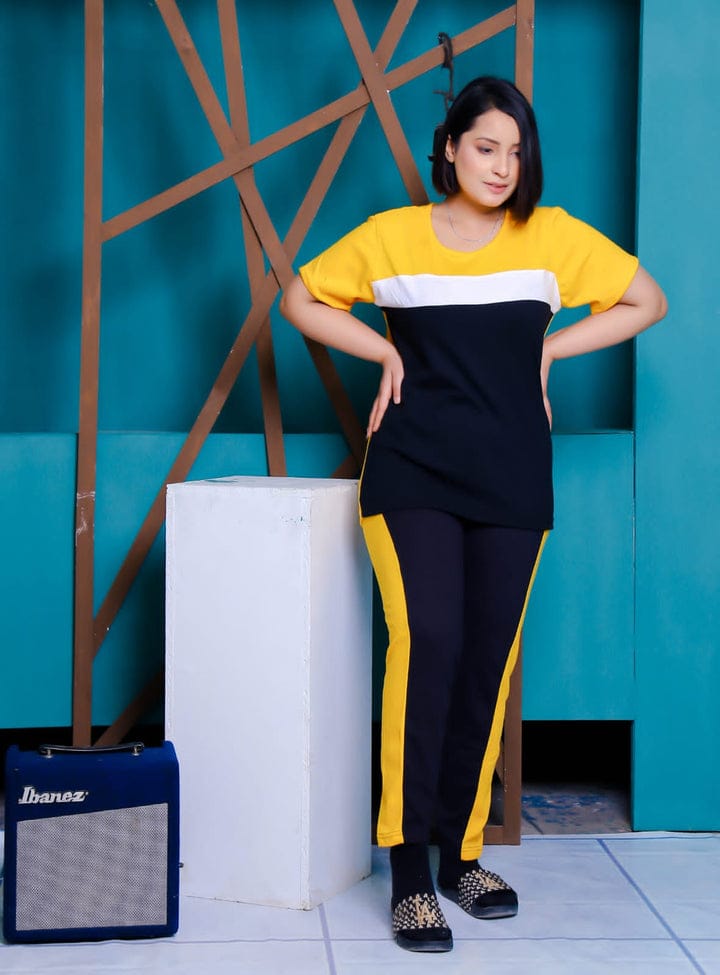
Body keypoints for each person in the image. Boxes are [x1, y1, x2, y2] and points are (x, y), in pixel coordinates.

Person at [280, 75, 666, 953]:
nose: (501, 166)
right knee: (432, 646)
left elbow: (647, 300)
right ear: (449, 147)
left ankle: (460, 853)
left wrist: (548, 347)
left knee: (487, 659)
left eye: (515, 152)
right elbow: (299, 298)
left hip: (513, 480)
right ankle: (410, 869)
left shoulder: (550, 236)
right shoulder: (393, 237)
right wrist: (380, 346)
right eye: (485, 147)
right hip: (411, 469)